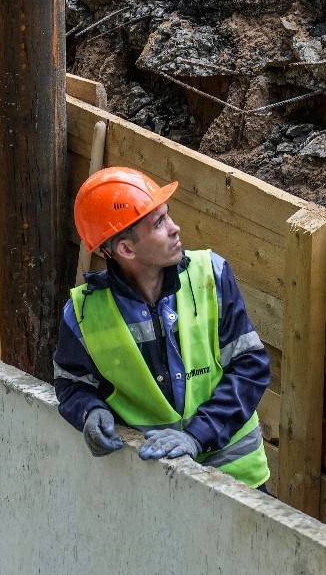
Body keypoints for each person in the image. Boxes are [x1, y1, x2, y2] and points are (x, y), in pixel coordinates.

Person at [52, 166, 271, 490]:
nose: (175, 228)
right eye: (159, 223)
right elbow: (71, 383)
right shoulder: (83, 314)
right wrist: (89, 412)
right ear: (126, 249)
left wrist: (197, 436)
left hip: (238, 481)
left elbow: (251, 366)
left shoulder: (211, 275)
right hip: (155, 486)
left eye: (167, 215)